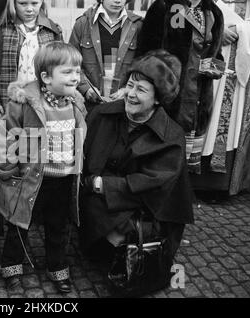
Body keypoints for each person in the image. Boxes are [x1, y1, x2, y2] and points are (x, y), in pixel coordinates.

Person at [79, 50, 194, 276]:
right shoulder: (102, 114)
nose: (130, 94)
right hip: (99, 195)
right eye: (129, 85)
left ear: (158, 98)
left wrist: (102, 184)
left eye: (141, 90)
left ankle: (120, 246)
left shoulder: (171, 136)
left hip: (144, 206)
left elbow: (155, 187)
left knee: (125, 230)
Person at [0, 42, 87, 294]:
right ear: (45, 77)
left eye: (77, 70)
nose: (75, 77)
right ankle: (11, 265)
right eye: (67, 72)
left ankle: (57, 268)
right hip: (33, 178)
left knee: (58, 225)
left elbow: (80, 136)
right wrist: (6, 169)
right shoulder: (26, 104)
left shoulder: (76, 103)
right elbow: (6, 135)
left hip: (64, 178)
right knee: (20, 223)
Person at [135, 0, 224, 174]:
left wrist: (215, 67)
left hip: (198, 98)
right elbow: (146, 53)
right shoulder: (163, 6)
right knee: (157, 159)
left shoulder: (214, 12)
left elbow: (217, 54)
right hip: (168, 99)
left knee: (182, 163)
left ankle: (179, 195)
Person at [0, 0, 63, 126]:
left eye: (34, 3)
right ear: (13, 4)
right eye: (23, 3)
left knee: (37, 140)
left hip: (42, 103)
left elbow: (58, 68)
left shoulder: (53, 31)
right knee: (10, 141)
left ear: (42, 3)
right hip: (8, 104)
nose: (29, 9)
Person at [69, 0, 143, 112]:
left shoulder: (137, 25)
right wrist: (86, 89)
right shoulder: (83, 23)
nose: (118, 1)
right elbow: (70, 62)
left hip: (122, 105)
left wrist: (127, 90)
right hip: (89, 105)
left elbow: (141, 64)